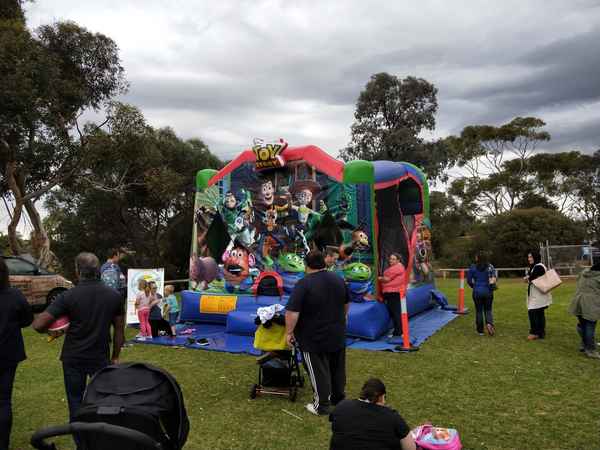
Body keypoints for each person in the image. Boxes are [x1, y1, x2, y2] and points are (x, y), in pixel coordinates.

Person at [32, 252, 125, 422]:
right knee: (102, 401)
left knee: (75, 402)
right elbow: (119, 331)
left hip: (73, 357)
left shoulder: (68, 296)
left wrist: (58, 329)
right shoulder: (114, 296)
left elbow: (38, 325)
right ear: (99, 270)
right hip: (100, 356)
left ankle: (80, 440)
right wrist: (116, 357)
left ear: (77, 271)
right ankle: (101, 436)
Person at [286, 250, 350, 416]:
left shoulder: (304, 284)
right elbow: (346, 303)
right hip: (337, 332)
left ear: (306, 265)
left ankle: (321, 405)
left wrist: (289, 332)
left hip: (312, 336)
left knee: (317, 369)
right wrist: (342, 318)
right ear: (324, 262)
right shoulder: (338, 279)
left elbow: (292, 312)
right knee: (337, 367)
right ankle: (338, 397)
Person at [0, 257, 33, 450]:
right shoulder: (14, 296)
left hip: (8, 354)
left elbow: (27, 320)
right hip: (7, 353)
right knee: (4, 400)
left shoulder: (14, 295)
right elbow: (26, 319)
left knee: (3, 400)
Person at [329, 378, 416, 450]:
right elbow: (411, 448)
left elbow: (334, 424)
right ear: (381, 397)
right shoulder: (392, 417)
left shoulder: (342, 406)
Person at [568, 245, 600, 359]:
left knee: (582, 325)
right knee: (589, 326)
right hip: (591, 305)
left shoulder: (584, 272)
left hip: (578, 301)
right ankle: (590, 350)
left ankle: (584, 344)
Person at [524, 251, 552, 340]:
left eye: (531, 257)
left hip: (538, 294)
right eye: (528, 257)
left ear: (535, 257)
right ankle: (541, 333)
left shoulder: (539, 266)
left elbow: (531, 277)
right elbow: (531, 277)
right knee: (539, 313)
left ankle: (534, 332)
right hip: (537, 294)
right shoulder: (535, 266)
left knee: (532, 312)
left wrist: (527, 278)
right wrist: (528, 278)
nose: (529, 259)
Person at [466, 252, 496, 336]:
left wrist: (473, 286)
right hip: (488, 291)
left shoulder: (473, 267)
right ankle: (489, 323)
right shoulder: (490, 267)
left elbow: (468, 280)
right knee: (488, 309)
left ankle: (480, 331)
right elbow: (494, 278)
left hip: (477, 291)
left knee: (479, 311)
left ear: (478, 258)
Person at [378, 253, 406, 337]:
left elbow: (386, 279)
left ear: (398, 260)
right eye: (390, 259)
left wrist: (378, 278)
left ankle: (398, 332)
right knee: (395, 312)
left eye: (393, 259)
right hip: (393, 292)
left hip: (393, 292)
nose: (391, 260)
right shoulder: (397, 267)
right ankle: (398, 331)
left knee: (395, 313)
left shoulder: (396, 268)